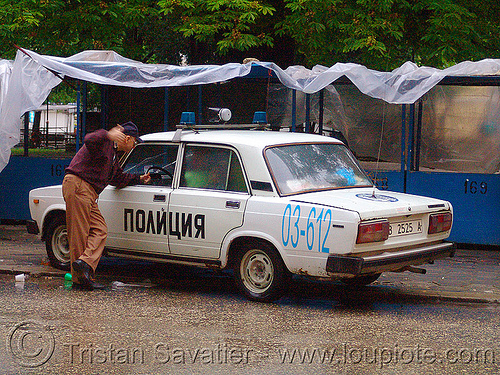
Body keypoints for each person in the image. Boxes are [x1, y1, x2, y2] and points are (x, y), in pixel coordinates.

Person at [62, 121, 151, 290]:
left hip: (88, 192)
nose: (134, 146)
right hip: (79, 186)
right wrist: (108, 134)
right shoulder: (104, 143)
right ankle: (80, 281)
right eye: (134, 141)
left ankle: (84, 264)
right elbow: (89, 139)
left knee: (100, 230)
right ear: (127, 138)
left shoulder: (114, 155)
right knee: (80, 235)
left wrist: (139, 179)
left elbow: (117, 178)